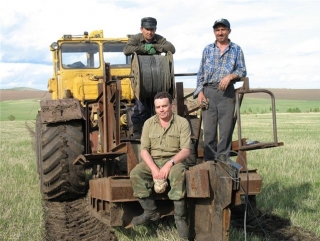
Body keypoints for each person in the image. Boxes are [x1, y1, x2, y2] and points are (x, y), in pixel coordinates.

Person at [129, 91, 191, 240]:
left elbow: (186, 150)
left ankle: (180, 218)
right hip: (153, 160)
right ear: (155, 108)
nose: (161, 110)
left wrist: (169, 165)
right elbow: (144, 151)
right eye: (158, 107)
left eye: (164, 106)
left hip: (174, 160)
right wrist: (154, 169)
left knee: (178, 175)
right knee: (135, 174)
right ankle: (150, 211)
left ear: (172, 106)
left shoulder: (182, 123)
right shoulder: (149, 123)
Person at [193, 18, 247, 162]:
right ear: (214, 32)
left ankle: (223, 164)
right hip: (209, 92)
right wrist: (200, 92)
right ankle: (209, 165)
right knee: (209, 132)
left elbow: (242, 69)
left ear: (229, 31)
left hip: (227, 94)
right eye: (217, 30)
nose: (220, 32)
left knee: (225, 131)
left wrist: (230, 76)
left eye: (223, 29)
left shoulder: (236, 49)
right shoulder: (207, 49)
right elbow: (201, 73)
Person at [123, 17, 176, 139]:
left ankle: (161, 132)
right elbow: (126, 50)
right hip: (141, 83)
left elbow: (172, 49)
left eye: (152, 29)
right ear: (141, 29)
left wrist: (156, 47)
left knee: (158, 108)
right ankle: (138, 133)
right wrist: (143, 49)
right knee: (141, 108)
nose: (149, 32)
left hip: (158, 81)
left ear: (155, 29)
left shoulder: (159, 38)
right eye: (147, 29)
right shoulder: (136, 38)